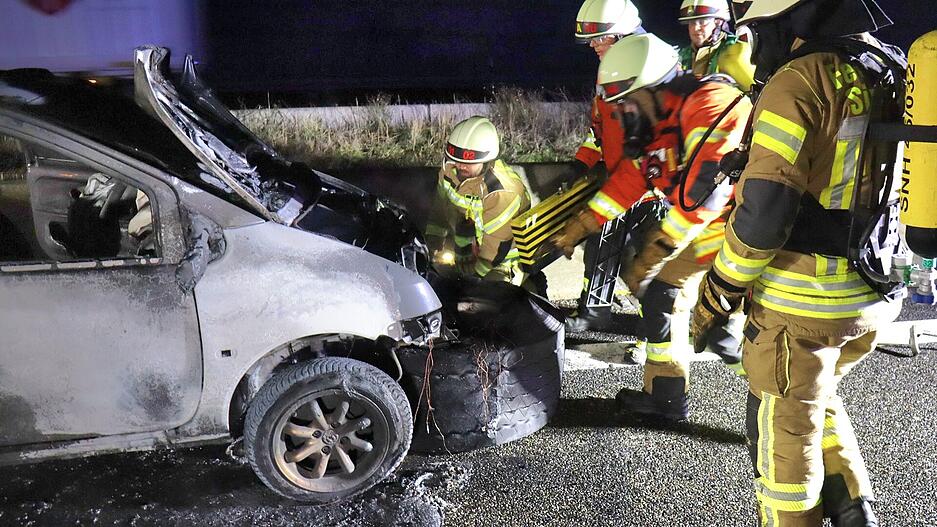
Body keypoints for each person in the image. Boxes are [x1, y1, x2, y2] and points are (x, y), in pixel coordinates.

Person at [690, 0, 903, 524]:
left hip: (802, 305)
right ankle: (856, 511)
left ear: (783, 20)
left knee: (783, 445)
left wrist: (719, 289)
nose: (751, 45)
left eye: (753, 31)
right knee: (815, 398)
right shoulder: (886, 65)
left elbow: (764, 217)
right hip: (869, 291)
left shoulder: (799, 79)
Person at [552, 32, 753, 420]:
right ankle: (666, 398)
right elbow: (629, 180)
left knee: (721, 329)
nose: (624, 112)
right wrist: (581, 225)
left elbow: (704, 196)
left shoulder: (711, 106)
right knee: (663, 298)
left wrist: (654, 255)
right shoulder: (660, 121)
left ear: (654, 87)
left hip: (744, 229)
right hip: (712, 227)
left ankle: (774, 400)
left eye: (627, 101)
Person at [567, 0, 665, 336]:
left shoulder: (657, 65)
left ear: (623, 35)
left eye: (600, 39)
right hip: (615, 182)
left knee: (649, 262)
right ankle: (595, 315)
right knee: (599, 249)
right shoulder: (609, 70)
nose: (593, 46)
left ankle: (654, 330)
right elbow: (599, 129)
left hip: (652, 191)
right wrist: (582, 163)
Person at [424, 116, 531, 284]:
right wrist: (432, 243)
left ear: (486, 159)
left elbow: (496, 249)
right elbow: (440, 207)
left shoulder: (501, 193)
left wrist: (472, 278)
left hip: (503, 262)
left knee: (484, 301)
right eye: (457, 159)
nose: (460, 166)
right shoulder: (449, 171)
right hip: (468, 250)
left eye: (469, 160)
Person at [677, 0, 755, 91]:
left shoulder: (737, 52)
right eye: (691, 23)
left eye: (702, 22)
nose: (695, 28)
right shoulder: (679, 57)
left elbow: (759, 96)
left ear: (718, 22)